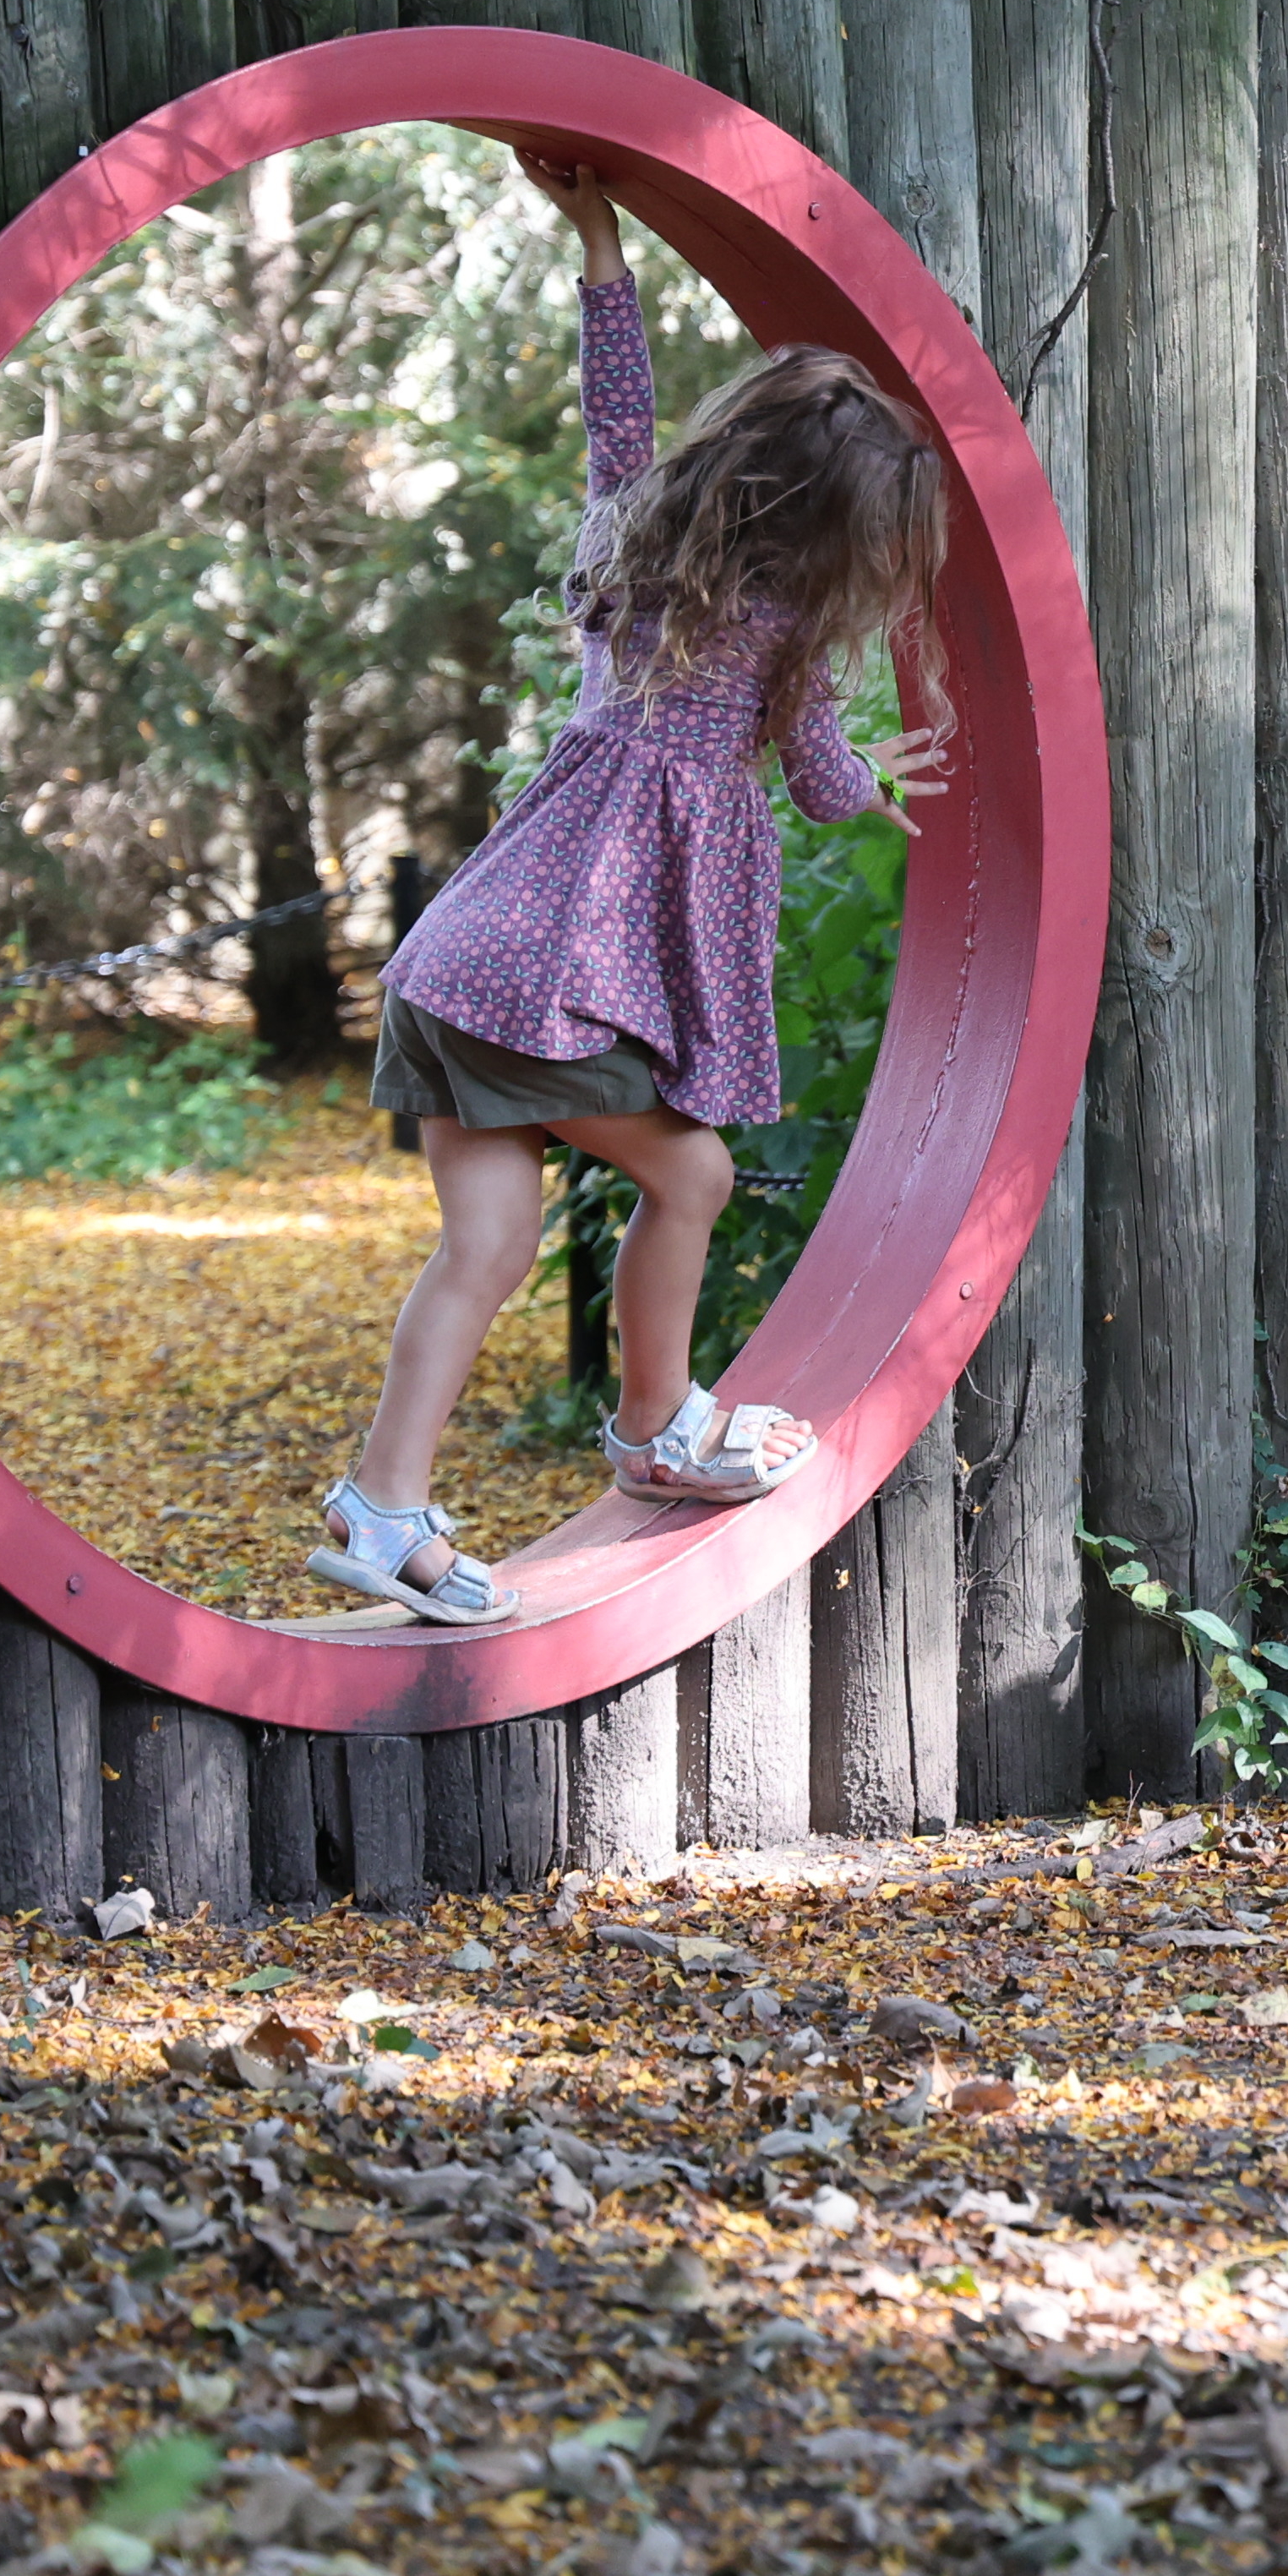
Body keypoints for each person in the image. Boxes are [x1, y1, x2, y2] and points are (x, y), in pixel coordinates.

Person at [304, 156, 950, 1623]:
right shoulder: (782, 626)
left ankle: (379, 1506)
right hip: (538, 978)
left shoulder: (636, 545)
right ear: (836, 531)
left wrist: (601, 248)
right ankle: (660, 1431)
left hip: (454, 965)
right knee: (697, 1170)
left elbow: (622, 419)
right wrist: (878, 791)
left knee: (488, 1244)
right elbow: (821, 766)